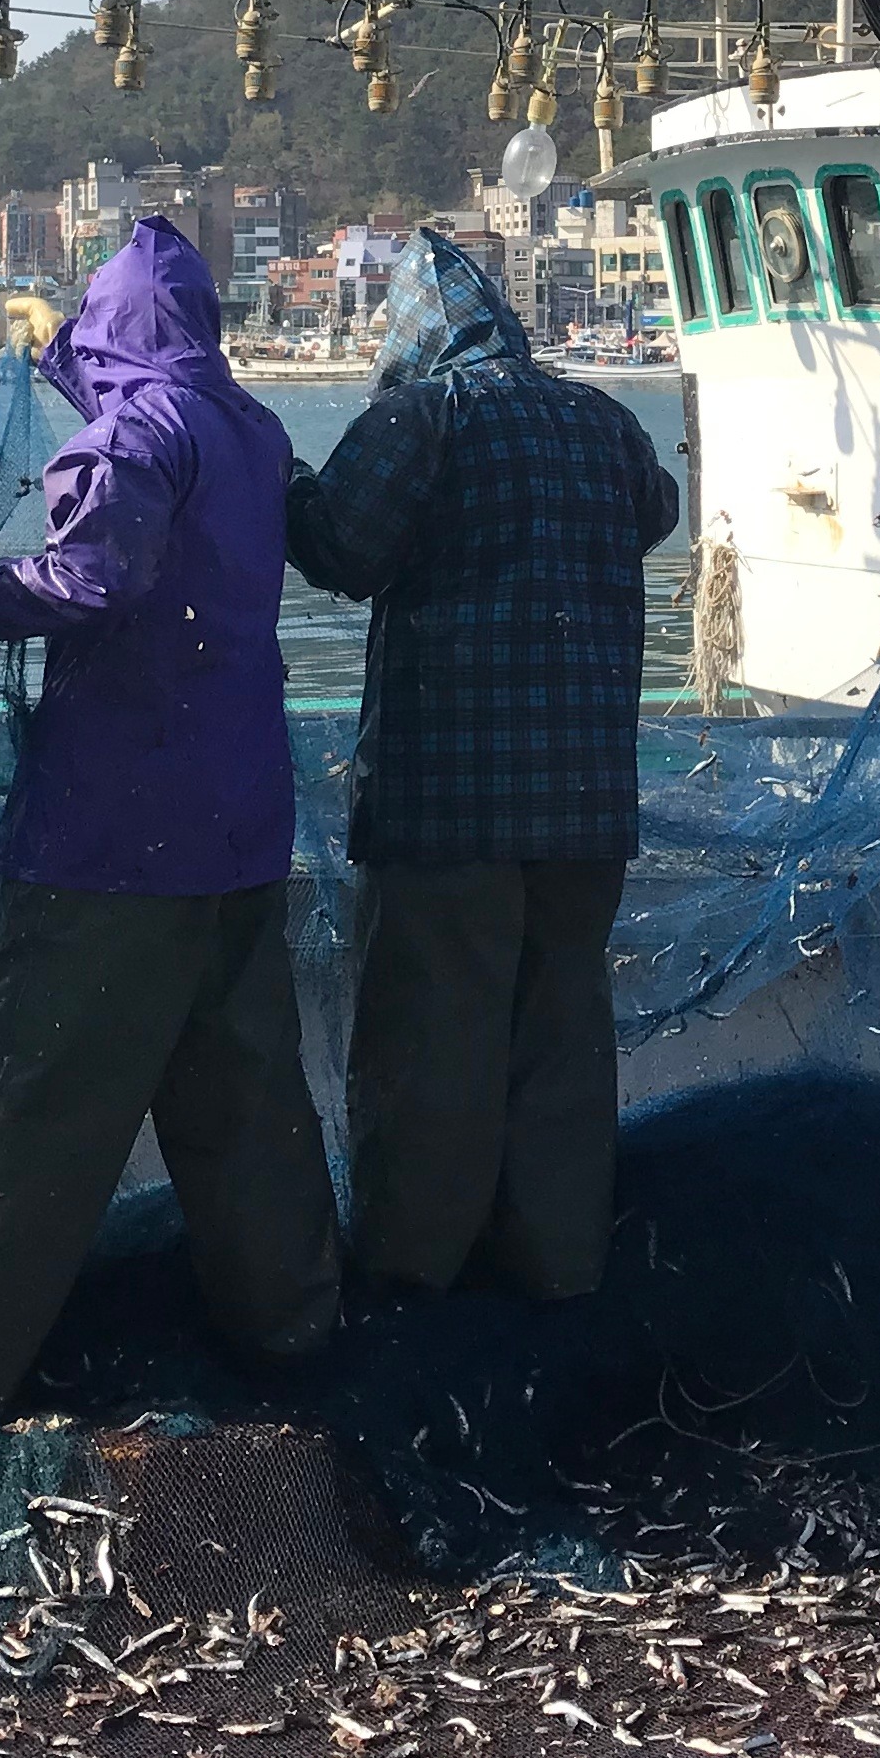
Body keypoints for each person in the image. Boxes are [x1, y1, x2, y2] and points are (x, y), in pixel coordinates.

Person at [0, 218, 339, 1415]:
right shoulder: (253, 432)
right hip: (241, 832)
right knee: (246, 1110)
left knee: (42, 1115)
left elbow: (96, 571)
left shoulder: (140, 431)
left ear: (112, 329)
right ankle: (295, 1336)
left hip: (114, 841)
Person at [283, 228, 683, 1299]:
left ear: (414, 331)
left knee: (433, 1052)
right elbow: (659, 512)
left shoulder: (422, 420)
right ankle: (559, 1276)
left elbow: (340, 551)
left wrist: (278, 479)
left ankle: (419, 1285)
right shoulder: (601, 420)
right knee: (561, 1043)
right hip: (587, 808)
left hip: (446, 804)